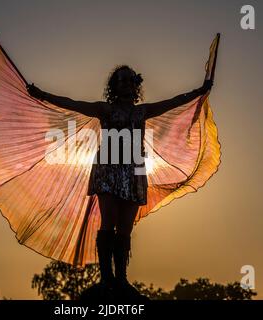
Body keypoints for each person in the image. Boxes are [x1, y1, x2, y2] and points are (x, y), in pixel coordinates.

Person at [27, 66, 213, 296]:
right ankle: (106, 278)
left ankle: (121, 279)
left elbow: (174, 102)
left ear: (135, 86)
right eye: (121, 80)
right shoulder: (104, 109)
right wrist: (43, 95)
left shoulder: (142, 111)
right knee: (108, 222)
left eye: (129, 80)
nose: (125, 83)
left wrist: (200, 91)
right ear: (114, 86)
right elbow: (71, 103)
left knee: (125, 228)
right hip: (108, 168)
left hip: (134, 170)